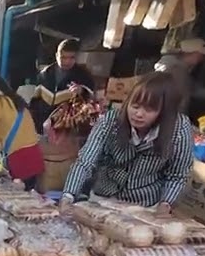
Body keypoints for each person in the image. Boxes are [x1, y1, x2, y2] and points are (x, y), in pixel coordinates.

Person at [60, 71, 194, 210]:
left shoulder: (178, 128)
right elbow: (85, 161)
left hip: (145, 206)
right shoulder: (110, 120)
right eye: (135, 106)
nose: (139, 114)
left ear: (164, 113)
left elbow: (177, 175)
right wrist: (68, 196)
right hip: (103, 199)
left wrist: (165, 204)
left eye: (149, 109)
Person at [31, 39, 96, 129]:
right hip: (41, 124)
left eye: (71, 58)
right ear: (56, 56)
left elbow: (92, 101)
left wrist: (82, 91)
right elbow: (34, 101)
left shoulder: (84, 76)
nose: (67, 62)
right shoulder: (44, 74)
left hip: (66, 128)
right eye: (63, 57)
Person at [155, 37, 205, 115]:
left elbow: (195, 89)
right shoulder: (176, 70)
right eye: (200, 55)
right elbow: (174, 100)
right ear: (191, 53)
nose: (202, 58)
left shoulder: (179, 68)